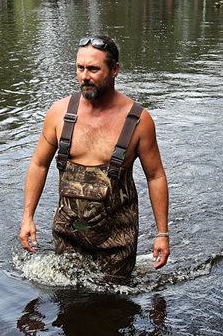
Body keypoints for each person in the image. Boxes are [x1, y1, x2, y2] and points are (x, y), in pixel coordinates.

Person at [19, 35, 170, 283]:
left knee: (113, 307)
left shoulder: (139, 121)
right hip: (68, 232)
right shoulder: (59, 113)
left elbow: (155, 176)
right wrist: (28, 217)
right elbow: (39, 164)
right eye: (80, 68)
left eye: (93, 69)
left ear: (115, 70)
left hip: (117, 238)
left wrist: (162, 233)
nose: (84, 77)